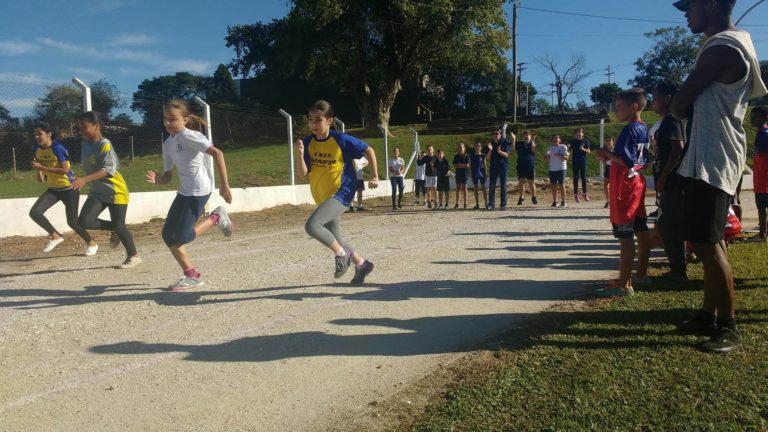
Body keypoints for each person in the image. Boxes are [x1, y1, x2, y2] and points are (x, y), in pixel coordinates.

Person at [670, 0, 767, 353]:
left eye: (689, 6)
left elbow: (680, 103)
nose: (685, 13)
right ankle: (706, 315)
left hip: (712, 159)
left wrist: (678, 103)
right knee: (706, 240)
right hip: (712, 157)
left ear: (710, 5)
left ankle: (728, 327)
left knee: (710, 247)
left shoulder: (723, 47)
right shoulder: (735, 42)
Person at [145, 99, 234, 292]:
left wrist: (224, 184)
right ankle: (191, 275)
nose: (168, 123)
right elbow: (168, 176)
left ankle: (216, 217)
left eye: (173, 119)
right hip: (185, 191)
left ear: (185, 120)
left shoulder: (190, 136)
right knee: (168, 235)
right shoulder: (168, 144)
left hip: (200, 190)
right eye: (165, 119)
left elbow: (218, 153)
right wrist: (159, 180)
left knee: (183, 236)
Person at [294, 100, 378, 285]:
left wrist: (375, 176)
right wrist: (300, 155)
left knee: (312, 226)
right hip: (323, 196)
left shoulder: (341, 140)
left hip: (342, 192)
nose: (313, 124)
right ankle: (362, 264)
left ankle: (341, 256)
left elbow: (369, 150)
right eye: (310, 120)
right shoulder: (308, 143)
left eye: (318, 120)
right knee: (337, 239)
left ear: (329, 121)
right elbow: (302, 174)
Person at [595, 88, 651, 297]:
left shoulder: (629, 130)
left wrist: (606, 153)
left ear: (634, 107)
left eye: (620, 107)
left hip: (624, 188)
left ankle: (625, 285)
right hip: (636, 183)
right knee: (641, 229)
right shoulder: (643, 127)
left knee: (625, 237)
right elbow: (642, 160)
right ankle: (642, 274)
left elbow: (627, 160)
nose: (616, 111)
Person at [72, 111, 141, 269]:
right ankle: (117, 228)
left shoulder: (105, 144)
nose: (80, 131)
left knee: (119, 225)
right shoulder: (84, 144)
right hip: (98, 191)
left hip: (115, 191)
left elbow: (108, 170)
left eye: (84, 127)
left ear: (96, 126)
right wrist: (79, 176)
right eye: (79, 127)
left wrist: (84, 179)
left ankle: (134, 255)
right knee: (84, 221)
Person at [28, 122, 97, 255]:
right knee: (35, 212)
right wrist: (38, 170)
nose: (36, 137)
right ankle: (55, 236)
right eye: (35, 134)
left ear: (49, 134)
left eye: (39, 134)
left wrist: (42, 168)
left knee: (72, 222)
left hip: (69, 188)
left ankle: (92, 243)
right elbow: (40, 178)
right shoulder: (38, 148)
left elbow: (65, 170)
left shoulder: (58, 147)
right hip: (53, 189)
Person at [651, 80, 688, 282]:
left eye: (656, 96)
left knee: (668, 224)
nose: (653, 101)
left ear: (667, 98)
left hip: (673, 182)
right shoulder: (666, 122)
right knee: (667, 224)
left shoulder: (672, 121)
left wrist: (664, 175)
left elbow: (677, 148)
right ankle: (677, 268)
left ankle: (679, 271)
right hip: (669, 181)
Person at [749, 106, 768, 242]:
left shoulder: (764, 135)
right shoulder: (761, 133)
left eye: (755, 116)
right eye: (752, 116)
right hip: (760, 177)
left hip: (763, 178)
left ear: (764, 117)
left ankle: (762, 235)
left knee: (761, 207)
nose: (752, 119)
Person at [487, 128, 511, 210]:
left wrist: (499, 151)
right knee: (492, 185)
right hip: (493, 166)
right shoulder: (491, 143)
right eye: (494, 134)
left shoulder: (504, 142)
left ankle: (503, 204)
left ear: (500, 134)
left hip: (503, 165)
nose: (495, 135)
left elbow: (507, 155)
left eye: (497, 134)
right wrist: (490, 150)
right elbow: (487, 158)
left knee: (503, 185)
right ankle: (491, 204)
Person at [515, 130, 538, 206]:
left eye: (527, 135)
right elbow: (512, 148)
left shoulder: (532, 143)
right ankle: (521, 198)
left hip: (530, 165)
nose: (525, 136)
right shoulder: (519, 144)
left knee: (531, 182)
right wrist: (513, 139)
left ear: (530, 136)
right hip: (521, 165)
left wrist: (532, 141)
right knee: (521, 182)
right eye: (524, 135)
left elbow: (533, 149)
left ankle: (533, 197)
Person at [569, 128, 591, 202]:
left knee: (583, 177)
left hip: (583, 160)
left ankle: (585, 193)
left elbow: (589, 151)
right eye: (577, 133)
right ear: (575, 134)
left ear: (582, 134)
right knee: (575, 177)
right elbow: (568, 149)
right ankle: (576, 194)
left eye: (580, 132)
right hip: (575, 160)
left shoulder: (585, 141)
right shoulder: (573, 141)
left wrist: (583, 149)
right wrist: (568, 147)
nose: (578, 134)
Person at [546, 135, 568, 207]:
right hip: (552, 169)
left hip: (561, 168)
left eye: (556, 138)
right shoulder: (550, 148)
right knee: (553, 185)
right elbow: (546, 158)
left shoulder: (563, 147)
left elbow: (566, 158)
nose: (555, 139)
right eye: (554, 138)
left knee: (561, 184)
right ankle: (555, 201)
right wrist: (548, 155)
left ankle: (564, 201)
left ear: (559, 140)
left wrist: (558, 154)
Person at [470, 142, 488, 209]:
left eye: (479, 146)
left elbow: (485, 165)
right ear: (474, 148)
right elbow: (471, 165)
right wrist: (471, 174)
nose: (477, 147)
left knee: (483, 188)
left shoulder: (483, 156)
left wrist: (486, 174)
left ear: (481, 147)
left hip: (482, 173)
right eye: (476, 146)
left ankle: (486, 203)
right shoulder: (472, 156)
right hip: (474, 173)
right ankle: (477, 204)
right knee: (475, 189)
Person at [453, 142, 469, 209]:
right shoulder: (456, 156)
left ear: (464, 148)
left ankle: (465, 203)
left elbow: (467, 165)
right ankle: (457, 203)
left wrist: (459, 165)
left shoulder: (467, 156)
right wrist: (462, 165)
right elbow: (455, 165)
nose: (460, 149)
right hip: (458, 174)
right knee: (458, 189)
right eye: (459, 147)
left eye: (461, 147)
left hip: (464, 174)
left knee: (465, 189)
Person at [421, 145, 438, 209]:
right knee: (428, 189)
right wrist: (419, 158)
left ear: (433, 150)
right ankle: (429, 202)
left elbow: (439, 164)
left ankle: (436, 202)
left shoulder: (436, 157)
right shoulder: (425, 157)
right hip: (428, 175)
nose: (429, 150)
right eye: (428, 149)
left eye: (430, 149)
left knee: (435, 188)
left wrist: (434, 164)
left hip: (435, 174)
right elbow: (420, 163)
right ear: (427, 151)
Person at [602, 136, 615, 209]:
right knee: (605, 185)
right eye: (607, 140)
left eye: (610, 140)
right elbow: (604, 161)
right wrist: (601, 159)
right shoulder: (605, 150)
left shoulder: (615, 149)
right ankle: (608, 200)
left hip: (614, 168)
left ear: (613, 142)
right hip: (608, 167)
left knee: (613, 186)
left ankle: (614, 200)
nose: (609, 142)